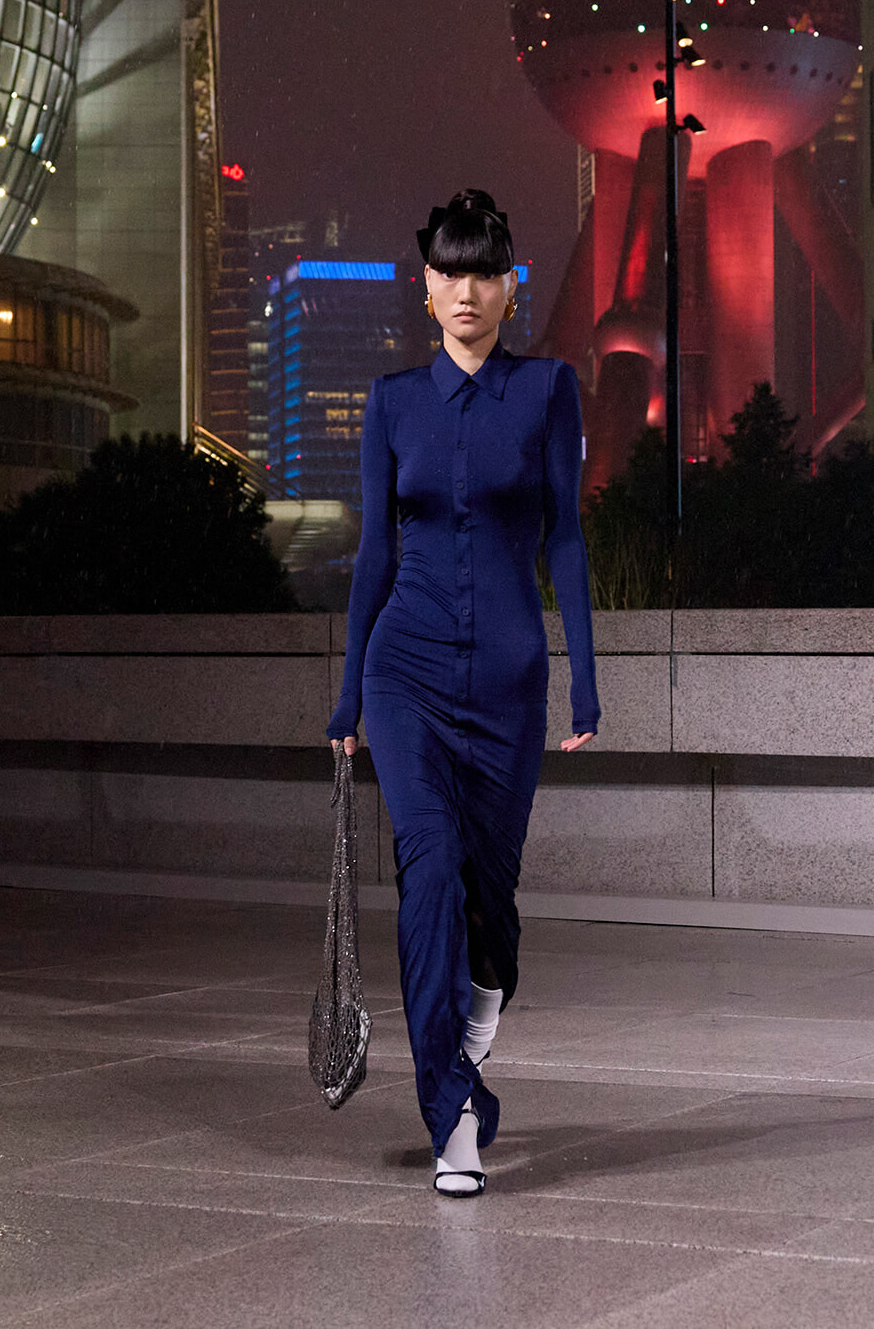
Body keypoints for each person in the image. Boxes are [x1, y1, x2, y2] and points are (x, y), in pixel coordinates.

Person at [328, 189, 600, 1196]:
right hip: (405, 675)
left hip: (509, 685)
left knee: (492, 907)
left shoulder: (548, 392)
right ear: (427, 286)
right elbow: (372, 555)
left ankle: (474, 1024)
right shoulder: (392, 403)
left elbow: (566, 539)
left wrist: (586, 681)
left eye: (486, 271)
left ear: (509, 286)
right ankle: (451, 1114)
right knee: (429, 868)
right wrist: (349, 692)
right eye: (450, 272)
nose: (467, 291)